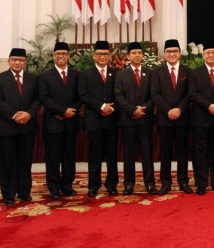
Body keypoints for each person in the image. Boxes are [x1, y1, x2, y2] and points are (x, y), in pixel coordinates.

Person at [0, 48, 40, 204]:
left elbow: (38, 100)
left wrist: (28, 114)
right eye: (14, 59)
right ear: (9, 61)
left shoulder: (33, 79)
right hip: (6, 126)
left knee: (25, 161)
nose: (17, 62)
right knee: (7, 162)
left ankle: (24, 191)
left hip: (27, 125)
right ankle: (8, 194)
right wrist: (14, 115)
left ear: (25, 62)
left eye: (21, 60)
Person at [39, 42, 81, 199]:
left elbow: (80, 97)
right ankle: (54, 187)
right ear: (53, 56)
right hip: (52, 122)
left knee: (69, 155)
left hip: (71, 122)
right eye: (58, 54)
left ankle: (68, 185)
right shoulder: (45, 75)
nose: (61, 56)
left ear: (69, 56)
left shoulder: (76, 75)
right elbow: (44, 98)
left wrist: (71, 111)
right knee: (53, 156)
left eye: (64, 53)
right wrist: (62, 111)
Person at [188, 41, 214, 195]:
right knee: (200, 152)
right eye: (208, 53)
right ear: (203, 55)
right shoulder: (195, 73)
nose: (210, 55)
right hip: (200, 118)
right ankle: (201, 184)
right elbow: (193, 94)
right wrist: (209, 106)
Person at [151, 39, 192, 195]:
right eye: (169, 51)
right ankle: (165, 182)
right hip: (164, 118)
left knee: (183, 151)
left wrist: (179, 109)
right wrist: (169, 110)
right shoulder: (157, 72)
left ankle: (183, 181)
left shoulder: (187, 71)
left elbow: (190, 94)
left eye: (175, 51)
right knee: (165, 152)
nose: (172, 54)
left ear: (180, 53)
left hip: (182, 117)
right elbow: (155, 94)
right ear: (164, 54)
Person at [115, 42, 156, 196]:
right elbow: (118, 96)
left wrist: (143, 108)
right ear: (128, 56)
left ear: (143, 55)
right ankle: (129, 184)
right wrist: (133, 110)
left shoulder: (150, 73)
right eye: (134, 53)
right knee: (129, 153)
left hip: (145, 118)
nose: (137, 55)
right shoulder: (121, 74)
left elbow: (154, 95)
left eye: (139, 52)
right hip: (128, 120)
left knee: (147, 152)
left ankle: (150, 183)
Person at [78, 40, 119, 197]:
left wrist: (112, 107)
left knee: (112, 154)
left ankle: (111, 184)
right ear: (94, 56)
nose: (103, 57)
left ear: (110, 56)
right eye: (100, 54)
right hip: (94, 119)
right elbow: (84, 95)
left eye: (106, 54)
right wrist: (102, 106)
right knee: (94, 154)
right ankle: (93, 184)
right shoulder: (85, 74)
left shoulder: (116, 73)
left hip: (111, 119)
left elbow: (121, 95)